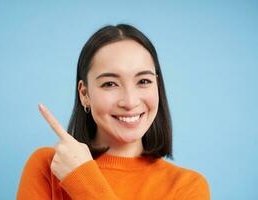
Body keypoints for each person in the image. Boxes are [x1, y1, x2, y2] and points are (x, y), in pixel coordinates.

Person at [17, 24, 210, 200]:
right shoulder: (48, 166)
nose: (130, 101)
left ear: (157, 87)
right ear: (85, 94)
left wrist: (84, 181)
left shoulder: (188, 187)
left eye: (143, 81)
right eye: (110, 84)